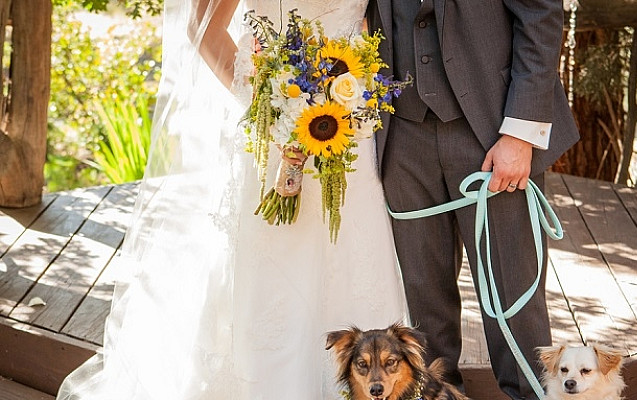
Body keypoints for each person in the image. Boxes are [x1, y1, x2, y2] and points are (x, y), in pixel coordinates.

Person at [57, 1, 407, 399]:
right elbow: (201, 27)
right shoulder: (271, 112)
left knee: (354, 258)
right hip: (274, 134)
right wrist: (269, 107)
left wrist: (355, 97)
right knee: (279, 271)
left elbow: (368, 23)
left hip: (352, 140)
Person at [366, 1, 580, 399]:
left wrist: (520, 132)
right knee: (423, 302)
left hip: (493, 127)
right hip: (400, 134)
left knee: (513, 297)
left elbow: (541, 15)